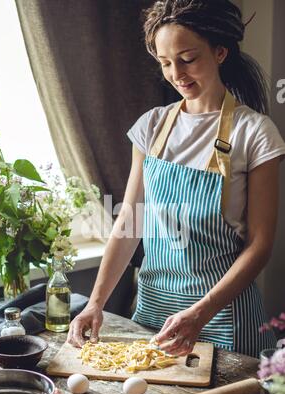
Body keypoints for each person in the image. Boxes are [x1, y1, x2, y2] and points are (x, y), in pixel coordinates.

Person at [68, 0, 285, 358]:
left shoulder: (255, 133)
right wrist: (96, 304)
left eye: (188, 59)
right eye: (166, 63)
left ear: (220, 52)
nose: (177, 74)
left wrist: (200, 312)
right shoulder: (152, 126)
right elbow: (129, 221)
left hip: (224, 321)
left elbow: (260, 246)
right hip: (153, 315)